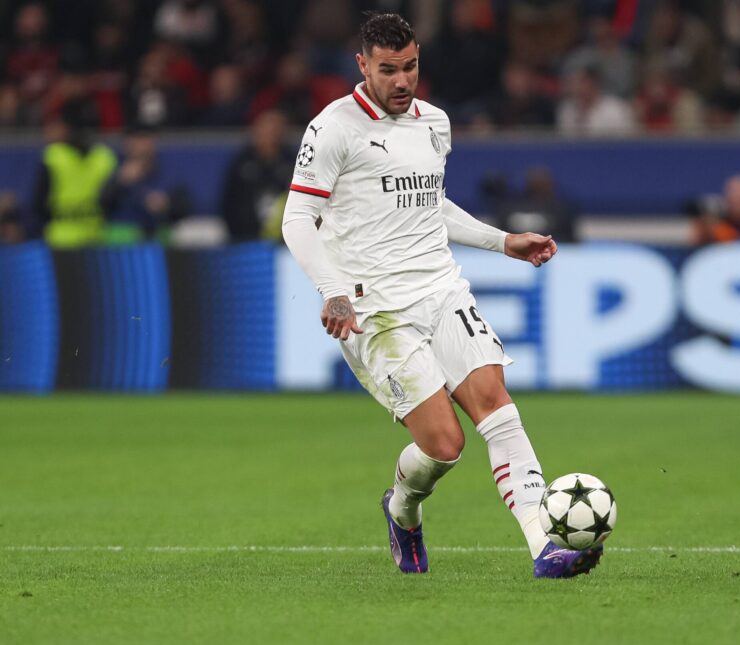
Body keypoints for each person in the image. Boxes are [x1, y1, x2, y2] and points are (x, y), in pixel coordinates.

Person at [280, 14, 597, 578]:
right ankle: (402, 509)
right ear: (362, 66)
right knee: (445, 445)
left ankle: (544, 546)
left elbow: (431, 204)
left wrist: (503, 243)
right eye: (387, 70)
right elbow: (298, 218)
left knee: (496, 405)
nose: (402, 81)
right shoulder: (333, 129)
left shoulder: (435, 123)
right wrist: (332, 293)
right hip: (376, 310)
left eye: (410, 67)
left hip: (441, 289)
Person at [31, 99, 117, 247]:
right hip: (96, 236)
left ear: (67, 127)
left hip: (62, 239)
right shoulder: (105, 157)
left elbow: (38, 204)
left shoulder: (53, 156)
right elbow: (113, 202)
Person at [221, 110, 294, 241]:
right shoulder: (241, 164)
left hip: (285, 241)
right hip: (245, 239)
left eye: (275, 130)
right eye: (266, 130)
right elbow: (229, 204)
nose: (271, 135)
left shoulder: (293, 164)